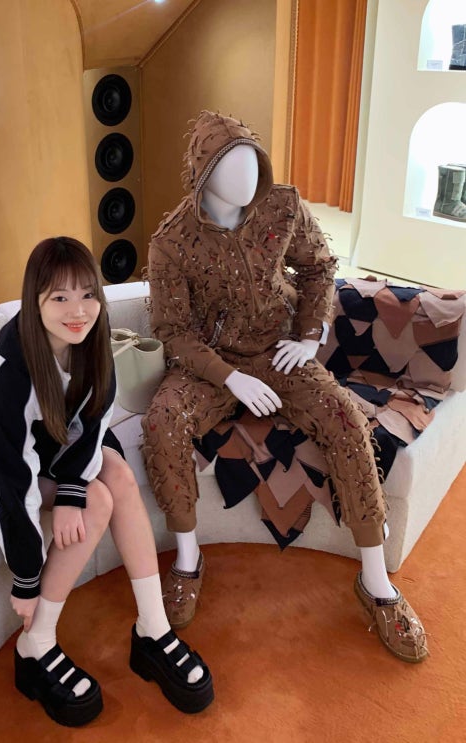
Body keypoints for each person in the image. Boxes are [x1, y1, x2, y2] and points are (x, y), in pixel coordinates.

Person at [141, 111, 429, 663]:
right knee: (163, 422)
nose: (248, 176)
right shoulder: (172, 241)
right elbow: (173, 331)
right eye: (230, 165)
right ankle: (187, 559)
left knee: (347, 419)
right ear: (204, 173)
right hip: (212, 366)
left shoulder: (282, 205)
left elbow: (319, 268)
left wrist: (309, 335)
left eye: (253, 161)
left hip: (280, 351)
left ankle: (376, 582)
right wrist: (230, 377)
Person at [0, 236, 214, 727]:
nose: (78, 310)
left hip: (49, 440)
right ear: (34, 300)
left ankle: (152, 629)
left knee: (119, 475)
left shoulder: (92, 338)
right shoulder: (7, 370)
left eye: (88, 294)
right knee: (97, 500)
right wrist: (26, 579)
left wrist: (68, 490)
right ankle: (36, 643)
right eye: (60, 297)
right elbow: (11, 478)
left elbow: (95, 419)